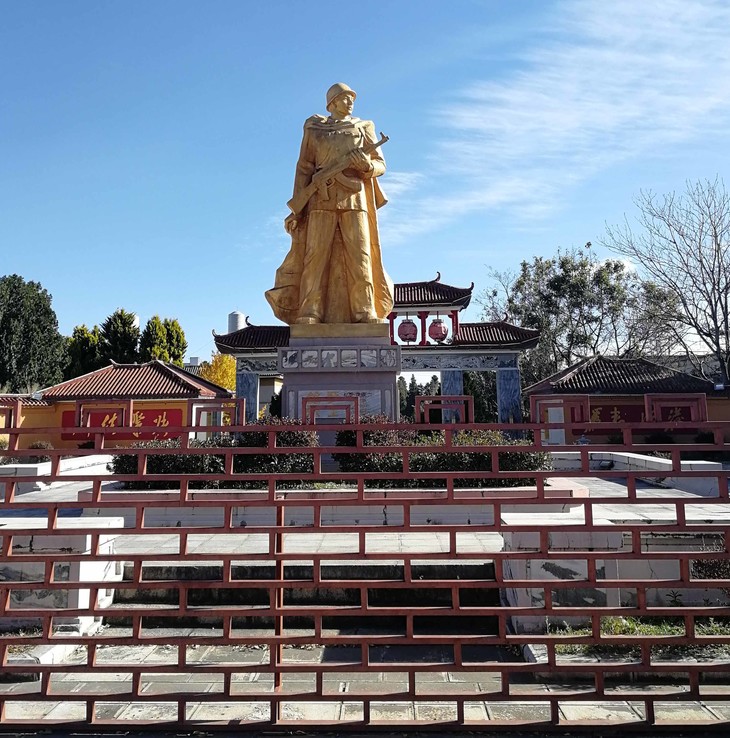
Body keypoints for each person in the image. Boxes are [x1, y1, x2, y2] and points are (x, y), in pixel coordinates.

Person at [265, 83, 394, 325]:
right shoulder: (315, 130)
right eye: (344, 98)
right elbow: (304, 169)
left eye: (351, 98)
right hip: (320, 201)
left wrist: (365, 166)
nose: (350, 102)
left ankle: (364, 309)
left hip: (355, 200)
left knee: (360, 255)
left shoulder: (364, 127)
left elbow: (380, 165)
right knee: (315, 256)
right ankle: (310, 311)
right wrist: (296, 211)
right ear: (331, 103)